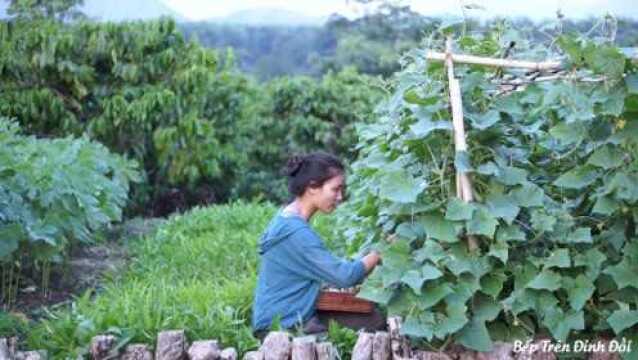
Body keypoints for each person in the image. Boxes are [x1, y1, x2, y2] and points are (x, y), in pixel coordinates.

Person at [251, 152, 384, 339]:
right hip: (283, 325)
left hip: (278, 315)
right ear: (312, 187)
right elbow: (345, 276)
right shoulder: (297, 233)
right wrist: (379, 252)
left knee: (368, 317)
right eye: (335, 189)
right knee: (374, 321)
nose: (340, 197)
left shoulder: (286, 218)